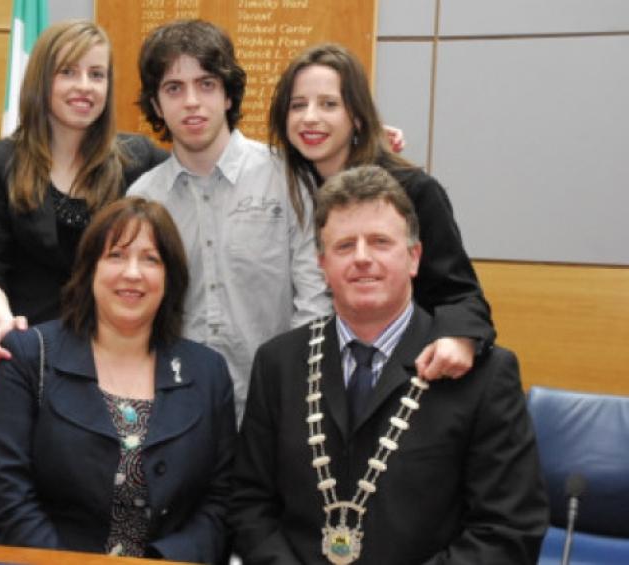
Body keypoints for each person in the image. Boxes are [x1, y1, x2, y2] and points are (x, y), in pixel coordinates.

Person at [230, 165, 548, 564]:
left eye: (380, 242)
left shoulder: (483, 375)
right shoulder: (278, 364)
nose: (362, 258)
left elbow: (508, 531)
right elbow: (248, 503)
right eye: (344, 246)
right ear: (322, 265)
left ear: (414, 257)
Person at [0, 197, 236, 562]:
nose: (132, 273)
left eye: (150, 259)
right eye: (116, 255)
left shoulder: (208, 372)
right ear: (89, 270)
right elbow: (6, 495)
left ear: (169, 278)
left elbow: (221, 501)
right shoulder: (28, 356)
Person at [126, 19, 332, 420]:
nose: (191, 101)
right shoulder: (142, 199)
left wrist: (293, 390)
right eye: (173, 88)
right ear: (155, 105)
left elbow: (315, 300)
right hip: (176, 413)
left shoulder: (287, 178)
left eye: (205, 84)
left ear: (227, 94)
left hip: (277, 409)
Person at [0, 20, 167, 410]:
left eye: (97, 75)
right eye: (69, 72)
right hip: (28, 355)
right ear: (42, 79)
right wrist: (5, 325)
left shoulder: (138, 159)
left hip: (114, 365)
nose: (85, 87)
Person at [269, 43, 495, 381]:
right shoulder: (283, 188)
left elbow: (460, 294)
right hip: (314, 375)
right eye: (297, 105)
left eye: (329, 104)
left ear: (357, 116)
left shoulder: (414, 191)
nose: (310, 117)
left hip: (405, 376)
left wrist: (459, 338)